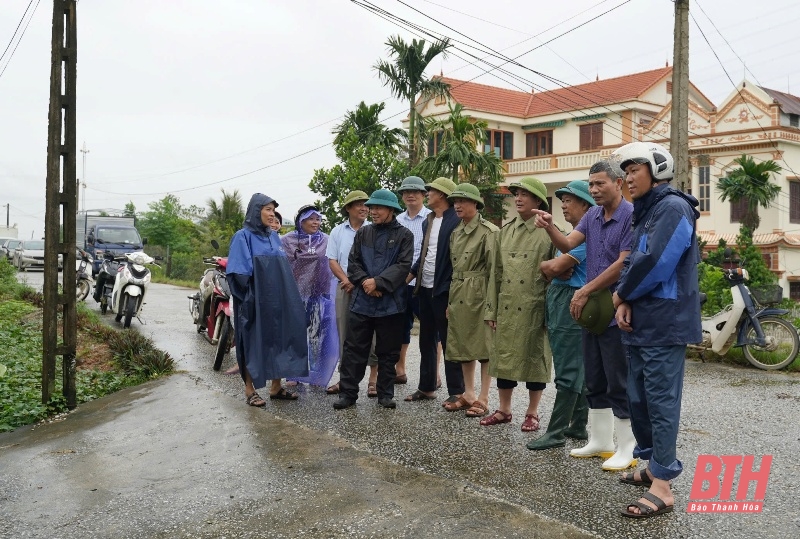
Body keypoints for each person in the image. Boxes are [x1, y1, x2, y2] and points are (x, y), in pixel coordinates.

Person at [610, 142, 701, 518]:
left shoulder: (673, 208)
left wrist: (620, 294)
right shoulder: (646, 212)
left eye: (634, 170)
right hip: (643, 321)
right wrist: (628, 300)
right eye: (625, 171)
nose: (627, 178)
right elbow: (636, 261)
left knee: (661, 404)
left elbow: (656, 263)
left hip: (665, 323)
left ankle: (663, 487)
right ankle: (651, 466)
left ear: (657, 170)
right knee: (639, 399)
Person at [532, 159, 635, 471]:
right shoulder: (592, 214)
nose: (594, 190)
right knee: (595, 376)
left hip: (616, 303)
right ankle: (601, 441)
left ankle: (627, 447)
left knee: (618, 378)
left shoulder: (630, 216)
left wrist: (585, 289)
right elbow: (566, 244)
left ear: (619, 184)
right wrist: (549, 224)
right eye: (591, 185)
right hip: (591, 308)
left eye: (600, 183)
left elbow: (623, 262)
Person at [527, 180, 594, 450]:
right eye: (563, 200)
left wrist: (549, 267)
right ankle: (577, 424)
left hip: (570, 301)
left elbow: (554, 266)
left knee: (568, 370)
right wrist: (548, 266)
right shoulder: (574, 235)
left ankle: (555, 432)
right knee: (577, 368)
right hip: (561, 300)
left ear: (586, 205)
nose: (564, 204)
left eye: (569, 200)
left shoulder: (587, 238)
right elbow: (548, 267)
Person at [482, 177, 553, 432]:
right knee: (504, 356)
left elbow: (556, 275)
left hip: (535, 304)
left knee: (535, 359)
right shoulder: (505, 231)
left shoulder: (549, 232)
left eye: (525, 194)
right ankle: (504, 409)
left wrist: (551, 312)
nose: (519, 198)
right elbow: (495, 274)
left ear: (538, 201)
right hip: (508, 305)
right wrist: (491, 309)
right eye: (517, 194)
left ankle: (532, 413)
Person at [333, 189, 414, 410]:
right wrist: (367, 283)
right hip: (362, 302)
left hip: (391, 304)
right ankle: (348, 393)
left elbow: (403, 266)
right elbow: (353, 263)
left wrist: (378, 283)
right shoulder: (363, 233)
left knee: (388, 352)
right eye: (372, 207)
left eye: (378, 207)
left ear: (391, 210)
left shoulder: (405, 235)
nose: (373, 211)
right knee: (354, 349)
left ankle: (385, 394)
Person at [226, 193, 308, 406]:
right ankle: (249, 390)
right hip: (255, 301)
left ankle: (276, 387)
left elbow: (282, 270)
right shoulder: (242, 237)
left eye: (273, 210)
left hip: (280, 300)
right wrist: (251, 297)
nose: (272, 214)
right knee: (253, 342)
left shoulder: (273, 236)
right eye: (267, 210)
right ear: (256, 211)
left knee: (281, 339)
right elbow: (237, 273)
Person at [404, 177, 465, 406]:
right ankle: (427, 387)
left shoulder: (455, 220)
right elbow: (425, 255)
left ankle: (457, 390)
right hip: (425, 288)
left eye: (430, 191)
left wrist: (454, 293)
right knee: (426, 339)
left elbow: (456, 258)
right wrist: (408, 278)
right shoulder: (428, 220)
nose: (427, 193)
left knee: (450, 341)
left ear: (442, 194)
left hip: (445, 289)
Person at [443, 183, 498, 417]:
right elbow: (454, 270)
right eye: (455, 201)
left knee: (484, 345)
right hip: (458, 292)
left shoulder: (489, 231)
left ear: (475, 204)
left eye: (463, 201)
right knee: (463, 343)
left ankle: (484, 397)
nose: (458, 205)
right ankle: (468, 393)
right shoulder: (455, 232)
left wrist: (492, 306)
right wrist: (450, 302)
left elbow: (496, 272)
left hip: (481, 292)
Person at [325, 190, 378, 396]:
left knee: (373, 334)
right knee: (345, 332)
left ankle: (373, 380)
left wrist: (367, 282)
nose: (364, 208)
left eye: (367, 204)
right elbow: (332, 259)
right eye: (359, 204)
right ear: (348, 208)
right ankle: (345, 379)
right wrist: (345, 280)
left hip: (370, 288)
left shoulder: (374, 229)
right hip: (345, 286)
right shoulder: (337, 231)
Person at [280, 205, 339, 388]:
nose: (316, 222)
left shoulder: (327, 240)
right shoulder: (288, 240)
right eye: (311, 219)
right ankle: (293, 373)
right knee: (294, 335)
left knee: (316, 336)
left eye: (318, 219)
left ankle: (315, 374)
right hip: (294, 296)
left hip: (317, 295)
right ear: (301, 221)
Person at [395, 176, 432, 384]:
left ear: (424, 195)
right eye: (406, 192)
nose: (410, 195)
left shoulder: (432, 218)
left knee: (430, 328)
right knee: (401, 326)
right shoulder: (398, 220)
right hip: (401, 282)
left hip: (425, 281)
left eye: (415, 192)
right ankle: (399, 369)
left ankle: (433, 374)